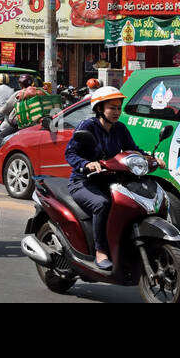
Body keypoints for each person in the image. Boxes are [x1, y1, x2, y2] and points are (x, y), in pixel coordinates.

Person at [65, 86, 141, 271]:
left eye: (118, 107)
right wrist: (86, 164)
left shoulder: (120, 128)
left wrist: (148, 158)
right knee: (102, 204)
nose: (116, 112)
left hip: (109, 180)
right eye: (111, 107)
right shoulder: (87, 127)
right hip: (83, 181)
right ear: (100, 108)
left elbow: (132, 150)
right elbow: (70, 152)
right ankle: (100, 251)